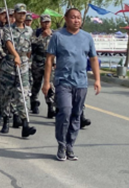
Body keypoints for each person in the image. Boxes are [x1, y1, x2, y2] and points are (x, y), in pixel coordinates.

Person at [43, 8, 100, 162]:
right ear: (66, 19)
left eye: (78, 18)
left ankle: (70, 146)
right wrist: (46, 82)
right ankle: (61, 145)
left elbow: (93, 59)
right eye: (73, 17)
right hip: (63, 81)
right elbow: (49, 59)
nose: (76, 20)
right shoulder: (57, 36)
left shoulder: (87, 37)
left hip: (81, 83)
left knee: (76, 115)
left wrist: (97, 79)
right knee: (65, 112)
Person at [0, 3, 36, 138]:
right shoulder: (8, 28)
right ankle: (5, 121)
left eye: (23, 13)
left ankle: (25, 124)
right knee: (7, 94)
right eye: (19, 13)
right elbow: (8, 42)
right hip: (10, 64)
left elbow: (30, 47)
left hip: (24, 65)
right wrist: (15, 55)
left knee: (23, 94)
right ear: (14, 14)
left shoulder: (29, 30)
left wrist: (26, 60)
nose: (21, 15)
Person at [31, 14, 54, 117]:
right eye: (44, 22)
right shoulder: (36, 33)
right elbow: (31, 45)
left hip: (50, 63)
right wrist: (42, 37)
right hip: (37, 62)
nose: (46, 24)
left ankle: (50, 106)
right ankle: (34, 102)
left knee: (50, 85)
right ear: (41, 23)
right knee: (36, 84)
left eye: (48, 22)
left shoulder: (54, 34)